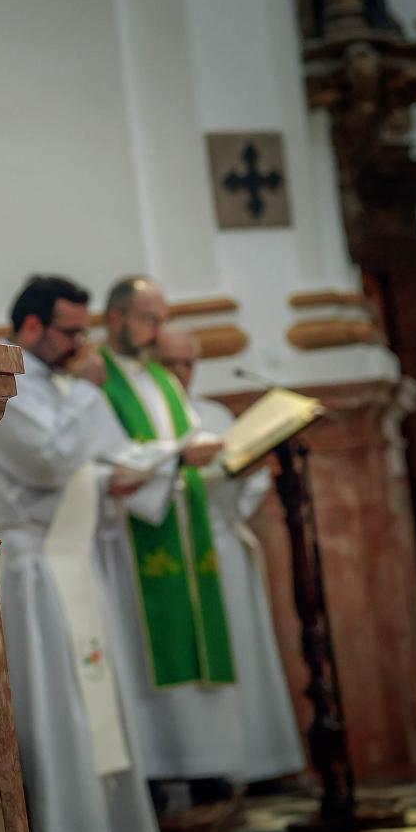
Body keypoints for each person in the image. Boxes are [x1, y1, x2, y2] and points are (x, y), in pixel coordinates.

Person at [0, 275, 163, 832]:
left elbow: (104, 452)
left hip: (75, 559)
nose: (83, 344)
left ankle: (118, 831)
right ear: (31, 326)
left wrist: (121, 473)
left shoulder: (59, 380)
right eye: (71, 330)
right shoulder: (1, 380)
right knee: (61, 714)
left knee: (99, 705)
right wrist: (87, 395)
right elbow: (51, 459)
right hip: (34, 571)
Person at [95, 277, 245, 804]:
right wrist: (177, 458)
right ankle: (161, 768)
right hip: (132, 535)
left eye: (160, 319)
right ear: (116, 318)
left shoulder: (163, 379)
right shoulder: (99, 379)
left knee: (198, 635)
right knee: (146, 648)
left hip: (184, 521)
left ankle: (207, 764)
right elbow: (107, 455)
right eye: (149, 319)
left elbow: (184, 437)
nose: (158, 330)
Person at [154, 331, 306, 787]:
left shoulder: (214, 414)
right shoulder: (153, 420)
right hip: (177, 551)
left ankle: (262, 759)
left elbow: (249, 488)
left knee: (245, 650)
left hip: (222, 542)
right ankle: (215, 765)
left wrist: (246, 473)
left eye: (187, 363)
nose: (181, 373)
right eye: (170, 363)